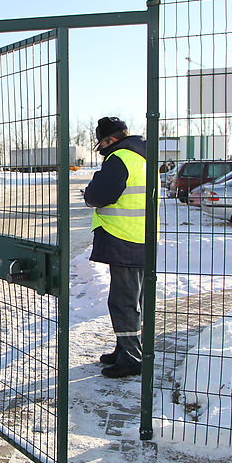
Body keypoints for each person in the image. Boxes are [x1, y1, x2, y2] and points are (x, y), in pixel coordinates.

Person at [83, 116, 151, 379]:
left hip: (124, 239)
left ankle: (131, 358)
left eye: (102, 143)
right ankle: (127, 348)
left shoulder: (120, 157)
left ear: (110, 140)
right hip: (139, 238)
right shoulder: (142, 156)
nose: (102, 149)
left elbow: (99, 195)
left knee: (123, 302)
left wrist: (89, 195)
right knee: (135, 300)